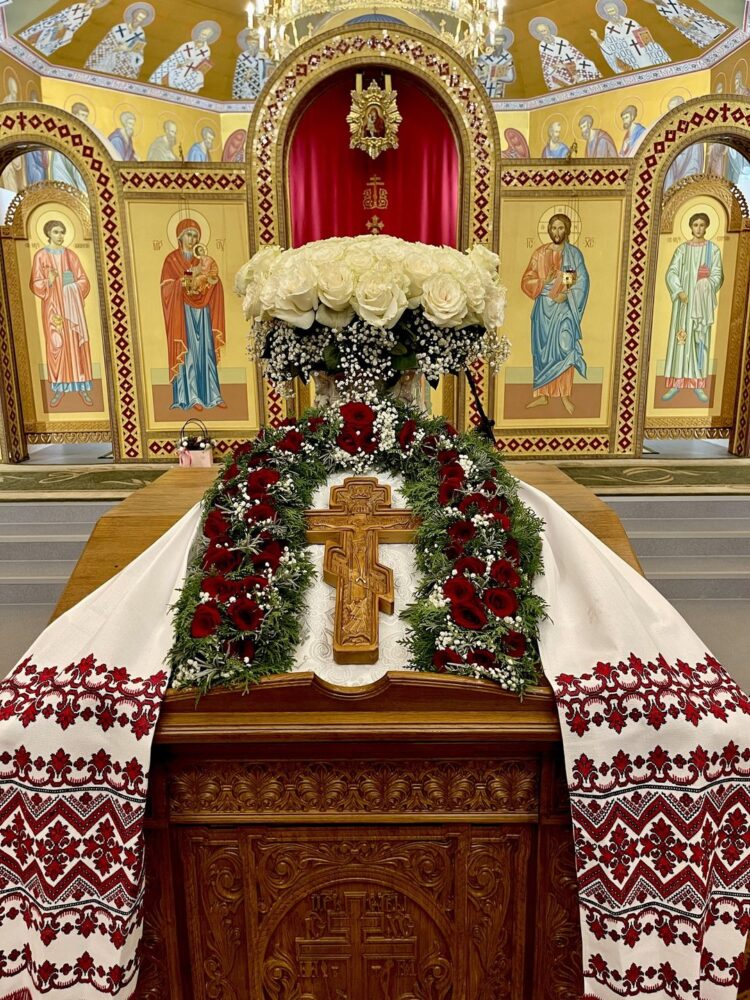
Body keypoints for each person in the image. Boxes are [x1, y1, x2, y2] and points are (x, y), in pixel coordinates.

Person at [521, 213, 589, 415]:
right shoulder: (540, 253)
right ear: (548, 230)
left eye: (560, 228)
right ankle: (543, 395)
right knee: (542, 352)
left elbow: (581, 281)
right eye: (553, 228)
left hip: (565, 309)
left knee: (565, 348)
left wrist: (566, 295)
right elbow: (526, 281)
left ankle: (564, 395)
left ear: (566, 230)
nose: (557, 232)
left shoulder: (573, 254)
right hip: (543, 310)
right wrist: (545, 282)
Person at [160, 218, 226, 411]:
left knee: (206, 350)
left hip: (202, 311)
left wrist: (212, 280)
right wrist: (187, 277)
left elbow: (213, 281)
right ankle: (191, 396)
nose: (192, 239)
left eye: (196, 236)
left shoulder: (203, 260)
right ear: (180, 236)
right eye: (189, 234)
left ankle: (213, 395)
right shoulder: (171, 260)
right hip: (182, 313)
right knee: (188, 351)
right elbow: (166, 288)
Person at [29, 219, 94, 408]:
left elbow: (84, 280)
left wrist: (72, 285)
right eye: (56, 232)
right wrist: (48, 281)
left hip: (72, 309)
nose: (60, 236)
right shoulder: (40, 256)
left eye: (62, 232)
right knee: (56, 345)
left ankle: (82, 386)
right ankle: (59, 387)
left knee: (76, 345)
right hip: (53, 309)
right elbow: (35, 284)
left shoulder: (71, 255)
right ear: (48, 234)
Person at [661, 212, 723, 404]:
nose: (698, 228)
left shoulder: (713, 250)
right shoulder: (682, 249)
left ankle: (698, 384)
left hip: (701, 305)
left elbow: (718, 275)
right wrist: (679, 291)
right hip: (684, 304)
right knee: (681, 340)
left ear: (706, 227)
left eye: (702, 225)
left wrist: (706, 283)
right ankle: (677, 382)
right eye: (695, 225)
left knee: (699, 341)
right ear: (690, 227)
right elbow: (671, 272)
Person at [591, 0, 670, 72]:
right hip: (629, 59)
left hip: (644, 53)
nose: (612, 13)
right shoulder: (609, 28)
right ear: (607, 13)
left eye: (612, 10)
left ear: (617, 10)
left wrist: (652, 49)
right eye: (609, 12)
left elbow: (647, 40)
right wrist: (597, 38)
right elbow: (610, 48)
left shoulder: (631, 22)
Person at [84, 2, 154, 78]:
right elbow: (105, 45)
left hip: (126, 62)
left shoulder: (141, 33)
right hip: (110, 58)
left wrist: (131, 50)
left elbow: (138, 51)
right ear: (134, 15)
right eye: (138, 16)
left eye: (141, 18)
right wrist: (117, 48)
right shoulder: (118, 28)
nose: (138, 20)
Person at [529, 17, 601, 91]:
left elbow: (576, 53)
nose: (544, 33)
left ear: (549, 29)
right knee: (551, 73)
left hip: (573, 62)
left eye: (545, 30)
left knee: (588, 63)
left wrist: (569, 63)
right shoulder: (542, 46)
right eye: (541, 32)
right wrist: (557, 65)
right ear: (539, 34)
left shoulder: (561, 41)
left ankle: (591, 83)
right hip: (558, 68)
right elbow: (546, 63)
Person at [19, 0, 109, 57]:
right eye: (93, 1)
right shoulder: (78, 5)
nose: (92, 3)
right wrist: (59, 23)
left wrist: (64, 29)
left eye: (96, 3)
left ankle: (31, 52)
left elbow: (75, 26)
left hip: (62, 30)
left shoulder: (88, 13)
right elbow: (61, 14)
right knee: (34, 36)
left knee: (46, 41)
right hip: (54, 23)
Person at [149, 22, 219, 94]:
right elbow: (175, 57)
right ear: (199, 33)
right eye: (202, 34)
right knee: (172, 71)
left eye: (205, 36)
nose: (202, 37)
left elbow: (204, 65)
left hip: (193, 71)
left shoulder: (206, 50)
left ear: (208, 37)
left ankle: (188, 95)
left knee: (199, 76)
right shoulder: (187, 45)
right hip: (180, 68)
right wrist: (181, 63)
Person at [641, 0, 725, 47]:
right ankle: (709, 40)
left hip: (688, 13)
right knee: (695, 31)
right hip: (680, 21)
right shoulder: (659, 8)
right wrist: (680, 21)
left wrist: (688, 14)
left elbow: (681, 5)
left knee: (702, 23)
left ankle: (716, 33)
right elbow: (670, 18)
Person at [663, 98, 704, 191]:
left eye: (674, 110)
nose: (672, 115)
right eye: (670, 111)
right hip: (670, 182)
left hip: (686, 181)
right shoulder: (669, 132)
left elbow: (695, 163)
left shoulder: (693, 131)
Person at [232, 30, 274, 100]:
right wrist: (245, 78)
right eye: (250, 43)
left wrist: (268, 60)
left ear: (258, 44)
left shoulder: (263, 55)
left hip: (260, 85)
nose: (251, 45)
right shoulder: (242, 57)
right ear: (246, 43)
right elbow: (238, 75)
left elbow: (270, 71)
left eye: (254, 43)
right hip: (246, 87)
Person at [475, 28, 516, 99]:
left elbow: (510, 77)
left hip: (497, 92)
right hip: (482, 91)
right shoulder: (484, 57)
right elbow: (475, 74)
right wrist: (484, 74)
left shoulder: (507, 57)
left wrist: (497, 77)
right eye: (496, 41)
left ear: (504, 42)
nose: (497, 44)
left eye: (500, 41)